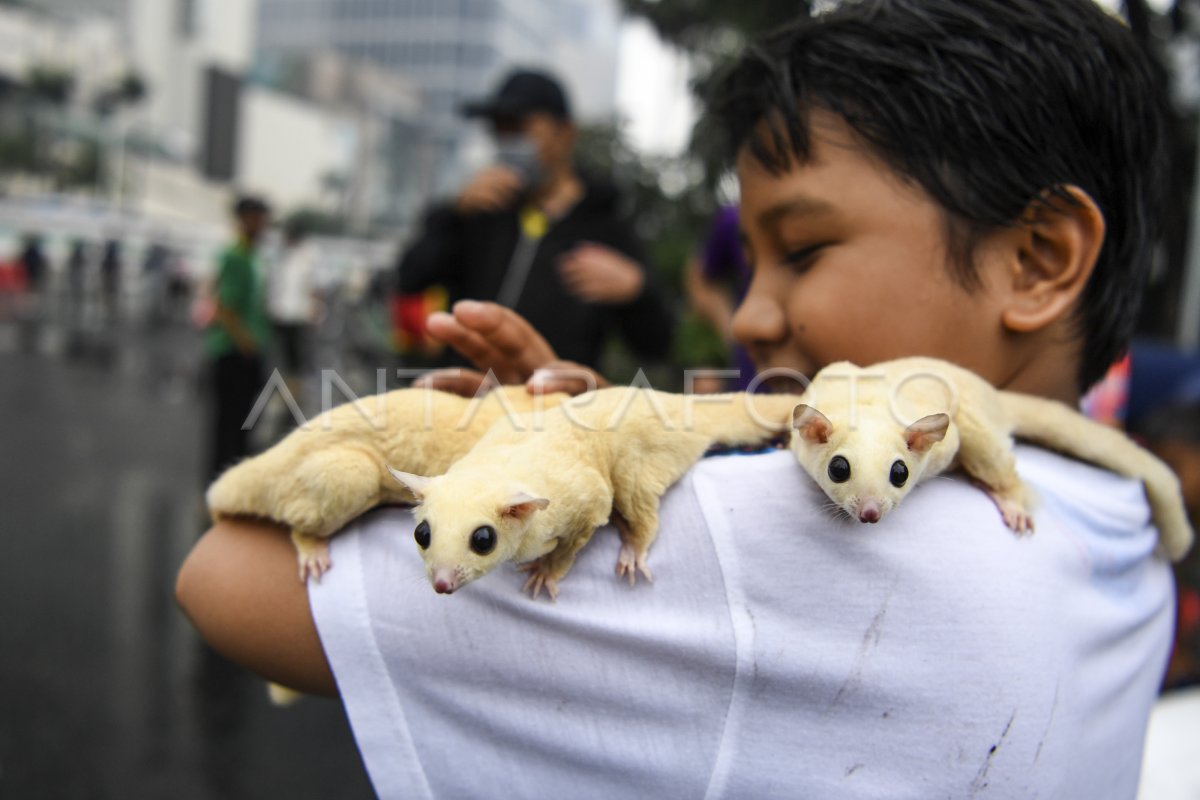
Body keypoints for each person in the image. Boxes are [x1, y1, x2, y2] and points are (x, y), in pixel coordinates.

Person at [176, 2, 1179, 796]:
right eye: (749, 261)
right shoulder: (1117, 509)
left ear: (1040, 259)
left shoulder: (813, 543)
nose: (745, 315)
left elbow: (222, 580)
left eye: (805, 247)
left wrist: (508, 440)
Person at [396, 67, 675, 373]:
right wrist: (452, 216)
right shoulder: (478, 213)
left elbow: (657, 344)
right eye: (498, 129)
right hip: (468, 400)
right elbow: (409, 279)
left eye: (518, 128)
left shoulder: (605, 227)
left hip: (557, 410)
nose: (506, 141)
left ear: (565, 133)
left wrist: (637, 291)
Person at [204, 196, 271, 483]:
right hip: (233, 351)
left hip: (248, 349)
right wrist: (245, 341)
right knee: (228, 423)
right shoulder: (234, 256)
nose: (262, 225)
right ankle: (220, 483)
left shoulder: (254, 256)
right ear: (243, 219)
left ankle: (236, 481)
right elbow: (225, 306)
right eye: (257, 218)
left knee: (245, 420)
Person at [266, 220, 318, 401]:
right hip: (279, 312)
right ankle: (279, 387)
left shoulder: (307, 255)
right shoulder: (279, 254)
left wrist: (314, 309)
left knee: (296, 355)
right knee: (278, 352)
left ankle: (294, 390)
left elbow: (313, 285)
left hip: (298, 315)